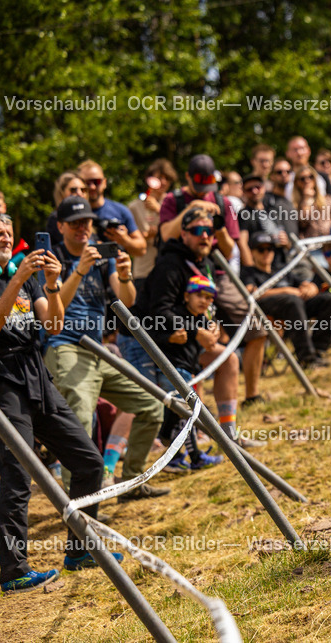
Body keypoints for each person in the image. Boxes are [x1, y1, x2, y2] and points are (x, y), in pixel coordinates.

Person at [0, 212, 117, 591]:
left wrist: (52, 285)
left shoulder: (28, 278)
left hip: (38, 376)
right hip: (0, 381)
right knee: (18, 475)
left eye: (9, 233)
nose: (6, 239)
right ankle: (14, 571)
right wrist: (17, 280)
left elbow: (53, 325)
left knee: (88, 461)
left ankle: (80, 549)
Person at [43, 196, 169, 499]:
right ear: (60, 226)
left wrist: (125, 275)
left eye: (86, 222)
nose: (82, 228)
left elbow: (127, 300)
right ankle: (81, 501)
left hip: (99, 350)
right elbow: (55, 311)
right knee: (82, 419)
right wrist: (79, 270)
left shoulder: (102, 256)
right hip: (65, 347)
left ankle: (132, 483)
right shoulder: (53, 259)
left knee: (152, 405)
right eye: (74, 223)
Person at [119, 208, 251, 443]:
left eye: (209, 231)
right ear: (184, 234)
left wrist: (211, 327)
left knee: (228, 360)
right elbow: (160, 312)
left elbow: (205, 303)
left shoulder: (206, 262)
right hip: (141, 339)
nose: (204, 236)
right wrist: (196, 331)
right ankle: (113, 462)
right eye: (198, 231)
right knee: (146, 400)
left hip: (177, 339)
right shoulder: (169, 264)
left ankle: (229, 436)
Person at [157, 154, 267, 410]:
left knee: (257, 328)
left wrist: (216, 227)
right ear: (188, 177)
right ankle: (199, 417)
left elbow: (230, 250)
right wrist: (191, 211)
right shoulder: (173, 200)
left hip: (217, 274)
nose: (205, 191)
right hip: (184, 274)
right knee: (195, 340)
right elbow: (165, 235)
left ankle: (252, 395)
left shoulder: (224, 202)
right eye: (200, 185)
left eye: (209, 185)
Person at [152, 274, 227, 472]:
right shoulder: (175, 314)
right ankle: (195, 457)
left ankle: (174, 453)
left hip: (188, 371)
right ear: (186, 296)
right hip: (172, 370)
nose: (205, 301)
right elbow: (155, 336)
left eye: (209, 297)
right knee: (186, 413)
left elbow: (207, 347)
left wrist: (213, 332)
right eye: (200, 295)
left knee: (179, 414)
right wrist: (169, 338)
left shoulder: (202, 319)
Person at [240, 232, 331, 368]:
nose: (266, 253)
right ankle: (307, 358)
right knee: (292, 301)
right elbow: (251, 294)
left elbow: (302, 284)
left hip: (296, 309)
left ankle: (318, 351)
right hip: (268, 311)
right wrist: (286, 291)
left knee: (328, 300)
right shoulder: (248, 272)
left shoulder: (281, 269)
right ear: (252, 252)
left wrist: (310, 287)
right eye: (261, 249)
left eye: (270, 249)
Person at [77, 160, 147, 257]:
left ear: (104, 182)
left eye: (96, 182)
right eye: (87, 182)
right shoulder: (72, 214)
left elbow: (142, 250)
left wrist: (124, 240)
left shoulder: (120, 211)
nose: (92, 187)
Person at [129, 158, 176, 286]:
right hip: (143, 270)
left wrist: (159, 210)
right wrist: (145, 237)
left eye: (167, 178)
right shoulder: (134, 207)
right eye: (160, 178)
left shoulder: (175, 203)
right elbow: (129, 242)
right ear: (149, 179)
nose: (164, 182)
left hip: (168, 270)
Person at [293, 164, 331, 239]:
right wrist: (306, 201)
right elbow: (302, 224)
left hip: (330, 244)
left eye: (310, 177)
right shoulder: (294, 204)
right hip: (311, 246)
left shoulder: (328, 199)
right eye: (302, 178)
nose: (307, 181)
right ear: (297, 182)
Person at [47, 173, 89, 244]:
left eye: (83, 190)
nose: (79, 193)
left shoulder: (90, 215)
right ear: (61, 193)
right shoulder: (55, 218)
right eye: (73, 190)